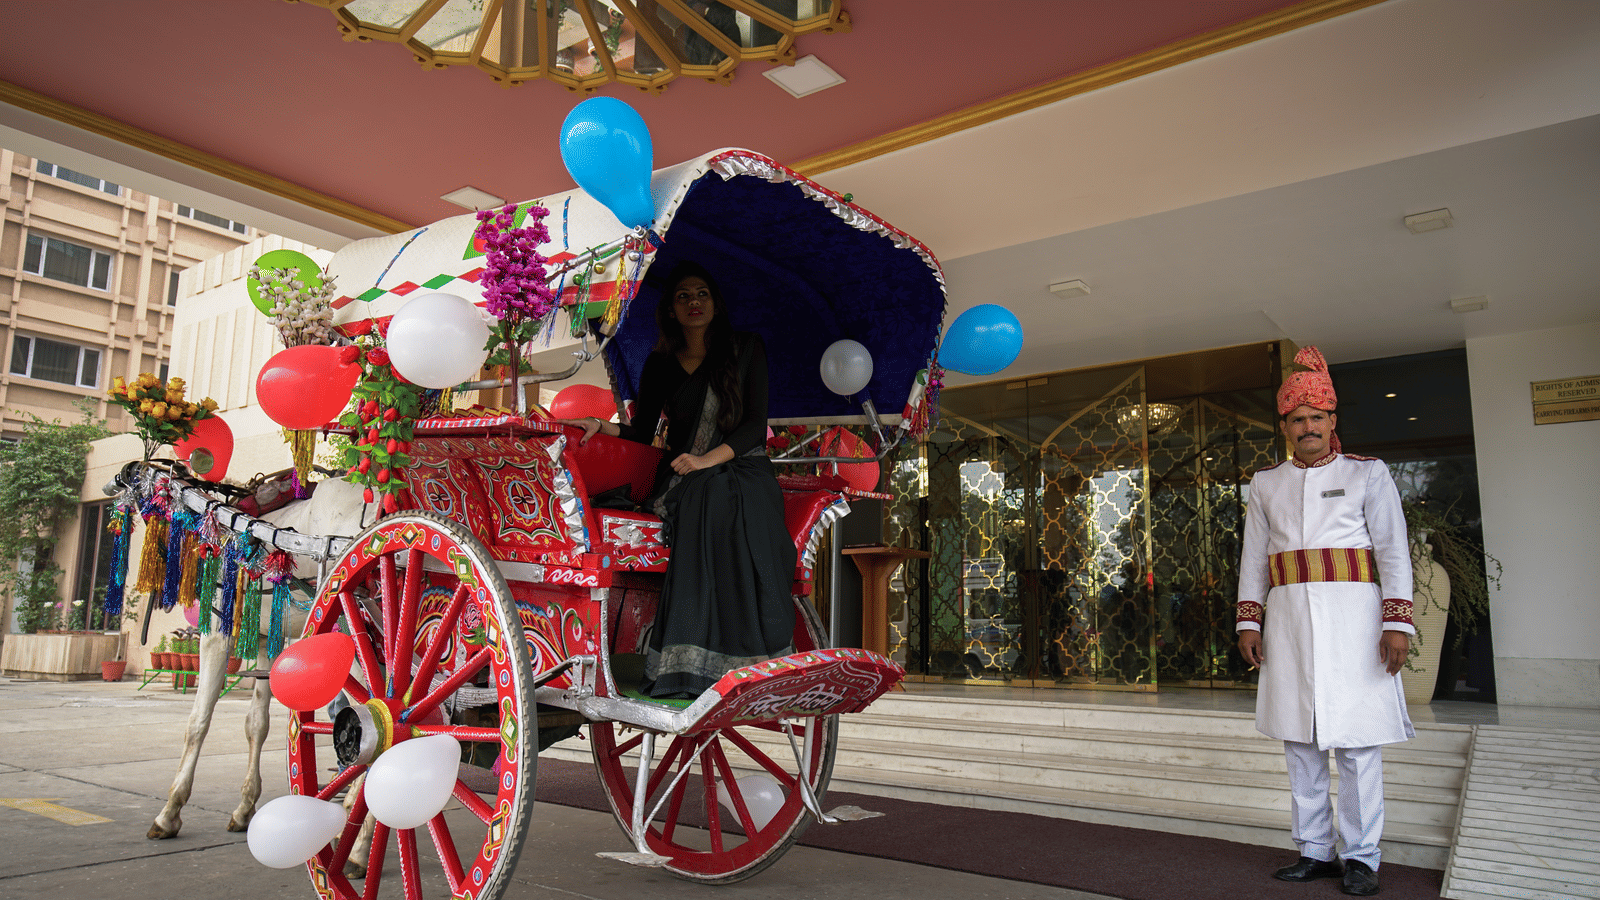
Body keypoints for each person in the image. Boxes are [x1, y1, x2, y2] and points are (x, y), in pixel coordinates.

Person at [562, 262, 797, 698]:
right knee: (701, 496)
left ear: (715, 302)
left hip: (741, 469)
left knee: (718, 497)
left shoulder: (745, 348)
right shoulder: (660, 364)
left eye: (702, 293)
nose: (694, 302)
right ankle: (687, 665)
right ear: (670, 309)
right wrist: (601, 424)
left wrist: (709, 459)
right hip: (685, 475)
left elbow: (753, 424)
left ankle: (741, 657)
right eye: (683, 296)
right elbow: (641, 429)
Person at [1236, 346, 1414, 897]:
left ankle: (1362, 857)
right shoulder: (1266, 484)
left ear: (1332, 421)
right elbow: (1254, 556)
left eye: (1317, 418)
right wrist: (1249, 619)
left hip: (1356, 626)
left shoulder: (1368, 475)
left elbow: (1392, 550)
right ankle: (1315, 850)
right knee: (1300, 743)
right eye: (1297, 419)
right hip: (1288, 628)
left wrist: (1397, 622)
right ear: (1285, 426)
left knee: (1357, 746)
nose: (1307, 427)